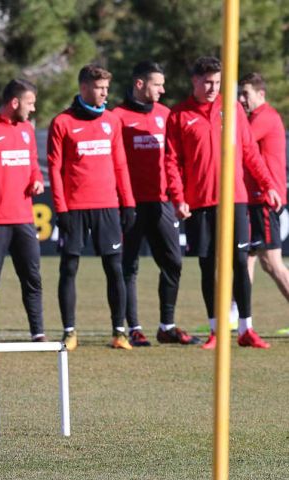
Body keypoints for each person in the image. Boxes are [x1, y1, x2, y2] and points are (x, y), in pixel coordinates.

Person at [165, 57, 282, 350]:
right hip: (199, 203)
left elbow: (249, 152)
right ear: (194, 81)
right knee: (208, 266)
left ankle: (246, 328)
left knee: (240, 263)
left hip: (236, 200)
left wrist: (269, 185)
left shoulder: (232, 111)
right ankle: (216, 331)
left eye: (217, 82)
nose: (212, 88)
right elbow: (172, 161)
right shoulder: (179, 115)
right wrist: (178, 198)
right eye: (207, 82)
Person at [47, 64, 136, 351]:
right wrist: (61, 209)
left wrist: (128, 203)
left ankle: (119, 331)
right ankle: (69, 331)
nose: (105, 94)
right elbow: (55, 169)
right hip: (74, 207)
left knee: (114, 268)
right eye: (100, 88)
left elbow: (121, 164)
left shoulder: (112, 121)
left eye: (107, 89)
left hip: (107, 206)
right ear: (84, 87)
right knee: (69, 267)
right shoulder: (62, 122)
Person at [112, 61, 201, 347]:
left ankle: (167, 325)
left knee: (173, 262)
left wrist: (180, 196)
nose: (163, 90)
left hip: (162, 202)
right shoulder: (118, 116)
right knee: (129, 266)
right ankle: (134, 328)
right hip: (130, 204)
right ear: (140, 84)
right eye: (157, 84)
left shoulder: (167, 115)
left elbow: (177, 159)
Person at [0, 79, 45, 345]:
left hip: (24, 218)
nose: (33, 109)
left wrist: (36, 178)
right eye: (30, 103)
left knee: (33, 278)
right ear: (15, 102)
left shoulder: (26, 129)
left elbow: (33, 164)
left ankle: (38, 333)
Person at [238, 72, 289, 302]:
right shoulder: (251, 117)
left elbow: (239, 141)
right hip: (251, 199)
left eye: (245, 94)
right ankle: (235, 315)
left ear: (261, 94)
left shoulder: (265, 117)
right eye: (240, 94)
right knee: (244, 258)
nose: (241, 99)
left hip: (264, 199)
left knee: (272, 263)